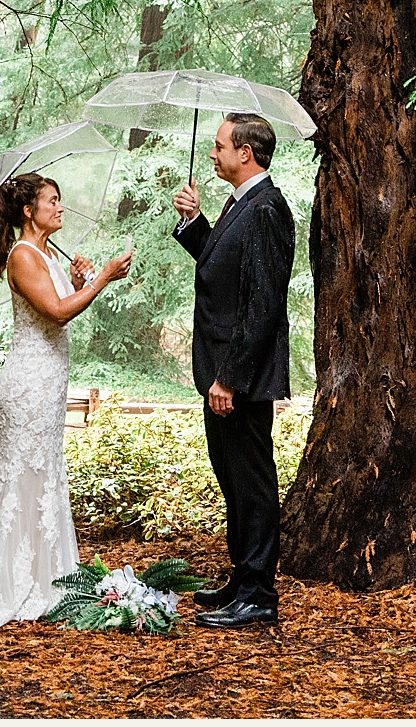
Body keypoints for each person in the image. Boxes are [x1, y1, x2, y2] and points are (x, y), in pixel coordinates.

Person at [0, 172, 132, 627]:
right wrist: (104, 279)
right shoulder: (22, 256)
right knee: (22, 479)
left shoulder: (45, 254)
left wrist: (78, 281)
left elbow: (61, 309)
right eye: (52, 201)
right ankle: (10, 583)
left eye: (60, 199)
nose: (60, 207)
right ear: (28, 212)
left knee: (43, 477)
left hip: (46, 383)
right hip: (27, 386)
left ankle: (46, 575)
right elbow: (55, 312)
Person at [171, 111, 295, 629]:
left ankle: (260, 595)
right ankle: (242, 577)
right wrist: (194, 223)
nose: (215, 153)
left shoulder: (266, 208)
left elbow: (261, 304)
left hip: (237, 377)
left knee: (252, 481)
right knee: (232, 477)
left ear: (246, 153)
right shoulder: (240, 203)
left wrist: (231, 378)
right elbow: (220, 268)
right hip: (221, 371)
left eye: (221, 146)